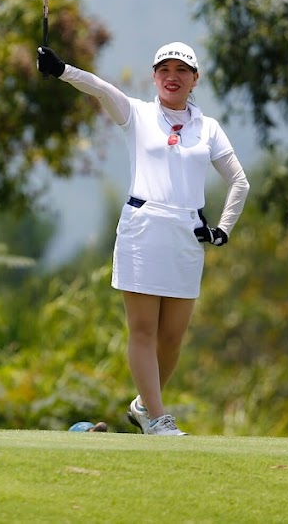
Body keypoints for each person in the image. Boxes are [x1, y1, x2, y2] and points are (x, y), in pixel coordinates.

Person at [37, 41, 249, 436]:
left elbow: (239, 181)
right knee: (144, 330)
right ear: (154, 77)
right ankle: (157, 417)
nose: (172, 77)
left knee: (172, 339)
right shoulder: (138, 114)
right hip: (143, 227)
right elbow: (101, 88)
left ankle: (140, 406)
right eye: (164, 70)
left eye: (182, 71)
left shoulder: (209, 128)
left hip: (187, 233)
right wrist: (63, 69)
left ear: (195, 79)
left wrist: (223, 229)